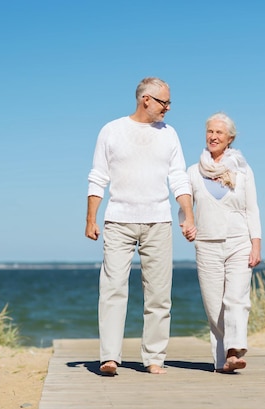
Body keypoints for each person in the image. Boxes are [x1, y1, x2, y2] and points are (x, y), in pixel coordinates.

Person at [85, 77, 196, 376]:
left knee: (159, 294)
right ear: (145, 99)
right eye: (164, 102)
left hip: (158, 221)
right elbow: (98, 176)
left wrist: (188, 214)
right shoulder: (112, 130)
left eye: (169, 103)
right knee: (112, 289)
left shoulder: (169, 134)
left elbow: (179, 178)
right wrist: (90, 218)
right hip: (119, 220)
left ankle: (154, 357)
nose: (168, 108)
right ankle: (109, 357)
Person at [186, 112, 261, 373]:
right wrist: (187, 223)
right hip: (207, 244)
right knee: (214, 306)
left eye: (219, 132)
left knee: (237, 299)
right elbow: (185, 207)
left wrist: (256, 243)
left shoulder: (242, 168)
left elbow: (252, 208)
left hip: (239, 242)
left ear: (229, 138)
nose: (213, 136)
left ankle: (234, 350)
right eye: (210, 132)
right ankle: (221, 361)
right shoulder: (194, 172)